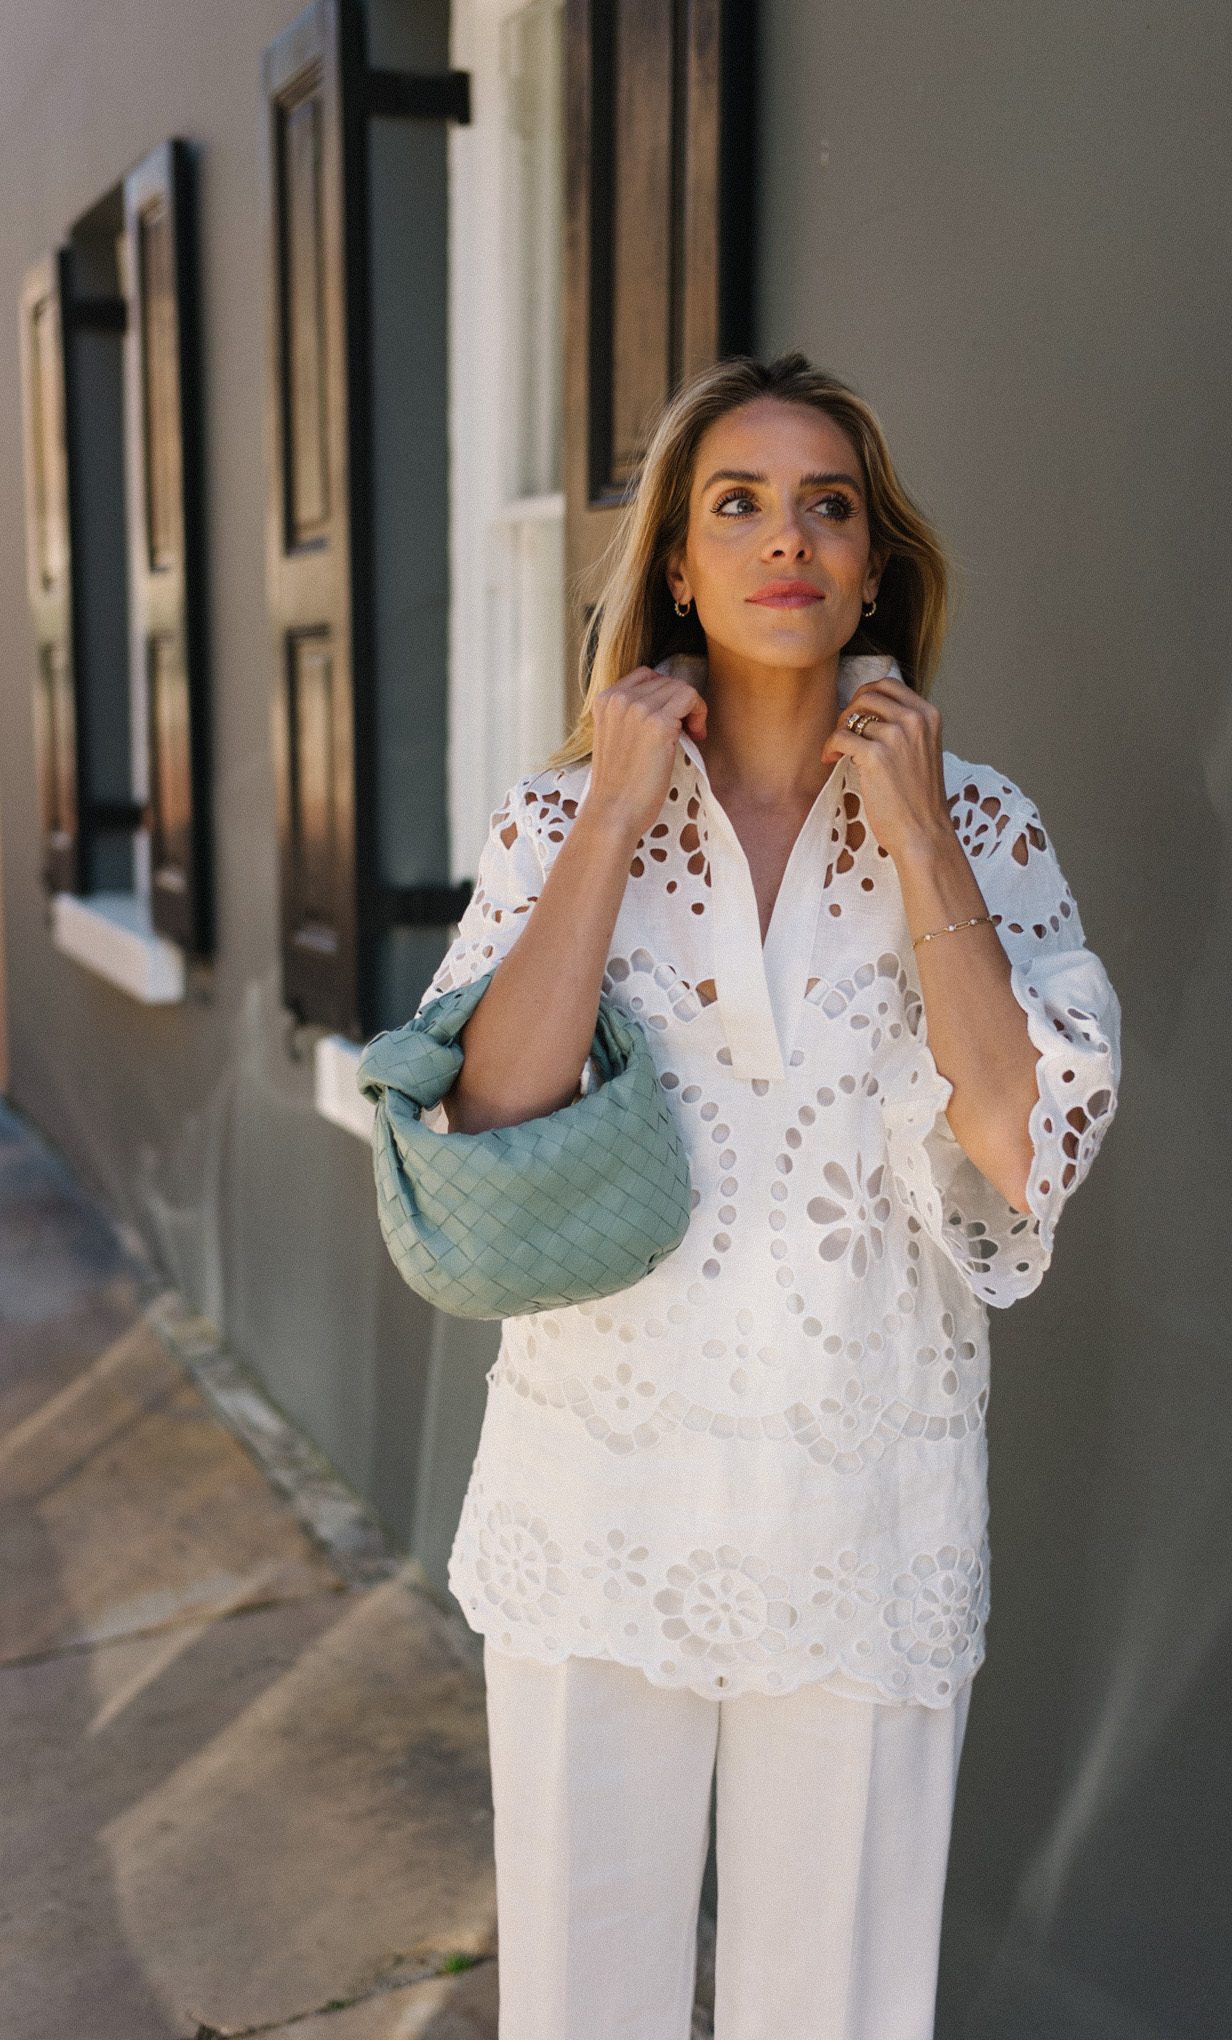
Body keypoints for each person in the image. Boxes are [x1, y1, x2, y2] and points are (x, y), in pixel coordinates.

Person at [422, 352, 1120, 2040]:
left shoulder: (987, 826)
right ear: (676, 560)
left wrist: (922, 833)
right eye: (735, 504)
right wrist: (611, 810)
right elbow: (494, 1109)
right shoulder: (553, 818)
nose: (784, 539)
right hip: (599, 1502)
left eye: (830, 507)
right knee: (587, 2000)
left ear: (877, 564)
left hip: (864, 1515)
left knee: (844, 2009)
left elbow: (1024, 1148)